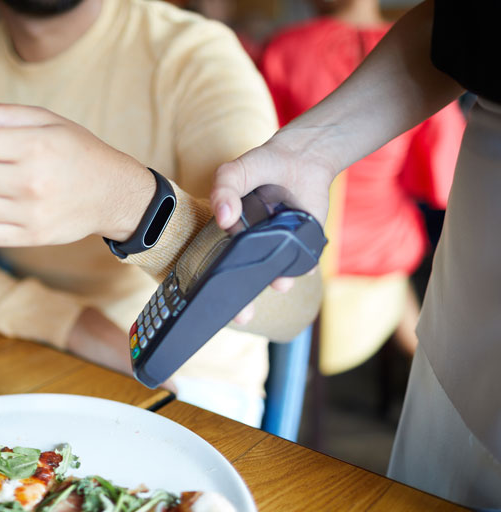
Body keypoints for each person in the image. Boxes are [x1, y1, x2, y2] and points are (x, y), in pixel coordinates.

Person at [0, 0, 321, 427]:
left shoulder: (195, 54)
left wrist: (127, 202)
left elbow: (285, 302)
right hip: (42, 350)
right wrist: (66, 323)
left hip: (190, 377)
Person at [209, 0, 501, 507]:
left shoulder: (283, 48)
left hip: (298, 270)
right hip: (373, 296)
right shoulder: (424, 43)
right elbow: (437, 180)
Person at [258, 0, 465, 374]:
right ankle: (435, 374)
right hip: (378, 259)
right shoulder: (429, 58)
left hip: (294, 248)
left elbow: (258, 146)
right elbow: (443, 181)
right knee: (405, 267)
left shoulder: (284, 48)